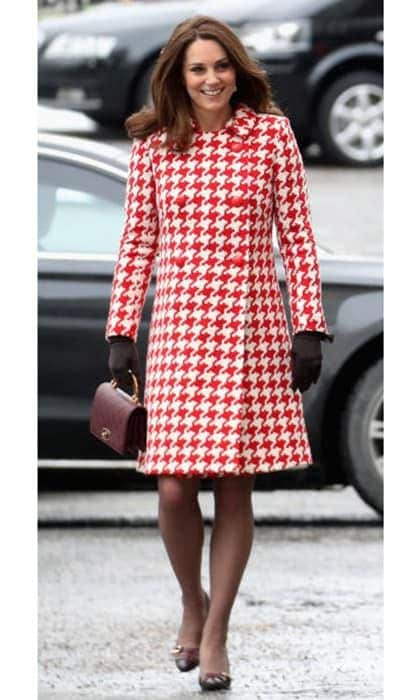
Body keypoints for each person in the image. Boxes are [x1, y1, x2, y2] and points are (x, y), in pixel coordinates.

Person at [105, 15, 333, 692]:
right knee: (174, 486)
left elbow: (297, 237)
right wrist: (121, 331)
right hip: (177, 332)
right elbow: (136, 243)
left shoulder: (270, 135)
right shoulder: (154, 146)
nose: (211, 79)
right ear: (178, 76)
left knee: (235, 482)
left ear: (238, 70)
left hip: (251, 328)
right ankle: (190, 601)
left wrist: (308, 328)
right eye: (197, 69)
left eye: (221, 66)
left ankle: (218, 629)